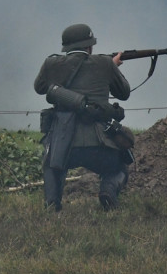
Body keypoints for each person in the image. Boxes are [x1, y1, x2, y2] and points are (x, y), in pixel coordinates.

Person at [34, 23, 131, 212]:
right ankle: (108, 192)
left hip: (63, 143)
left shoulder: (51, 64)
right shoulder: (104, 63)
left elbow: (39, 88)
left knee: (51, 166)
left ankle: (52, 204)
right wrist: (113, 67)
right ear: (90, 46)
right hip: (100, 142)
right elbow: (124, 93)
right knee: (119, 167)